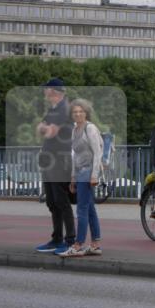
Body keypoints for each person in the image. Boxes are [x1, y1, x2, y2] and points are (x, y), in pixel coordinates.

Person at [57, 99, 103, 258]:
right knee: (90, 209)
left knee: (81, 209)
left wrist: (95, 175)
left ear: (86, 113)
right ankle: (95, 244)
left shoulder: (90, 128)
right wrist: (72, 177)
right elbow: (74, 154)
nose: (77, 114)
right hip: (80, 172)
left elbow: (98, 153)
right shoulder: (75, 129)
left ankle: (78, 245)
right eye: (75, 112)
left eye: (80, 112)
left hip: (89, 171)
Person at [35, 78, 75, 254]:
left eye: (46, 90)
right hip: (49, 159)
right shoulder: (53, 110)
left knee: (61, 200)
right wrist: (44, 127)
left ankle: (70, 240)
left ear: (54, 92)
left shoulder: (63, 109)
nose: (45, 93)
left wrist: (45, 128)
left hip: (60, 160)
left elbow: (50, 132)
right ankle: (56, 238)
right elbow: (39, 128)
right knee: (52, 201)